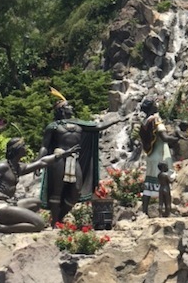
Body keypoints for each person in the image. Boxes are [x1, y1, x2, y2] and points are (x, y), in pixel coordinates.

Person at [39, 89, 126, 225]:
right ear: (62, 110)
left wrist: (116, 120)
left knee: (76, 191)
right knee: (57, 190)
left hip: (74, 158)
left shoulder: (80, 124)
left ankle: (60, 217)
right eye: (68, 106)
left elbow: (98, 127)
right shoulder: (54, 126)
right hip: (59, 157)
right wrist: (40, 162)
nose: (71, 107)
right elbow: (44, 146)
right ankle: (55, 222)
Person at [0, 138, 79, 234]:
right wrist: (0, 195)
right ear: (17, 149)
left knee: (36, 203)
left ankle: (8, 222)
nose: (26, 148)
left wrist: (62, 155)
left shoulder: (17, 167)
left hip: (7, 204)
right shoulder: (2, 166)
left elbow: (42, 162)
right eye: (23, 146)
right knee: (39, 224)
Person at [139, 97, 179, 215]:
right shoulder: (156, 119)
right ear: (151, 107)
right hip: (160, 155)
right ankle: (166, 211)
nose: (157, 105)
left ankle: (144, 211)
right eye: (155, 103)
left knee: (149, 184)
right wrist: (177, 139)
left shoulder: (145, 122)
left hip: (150, 156)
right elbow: (164, 138)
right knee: (164, 184)